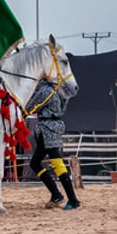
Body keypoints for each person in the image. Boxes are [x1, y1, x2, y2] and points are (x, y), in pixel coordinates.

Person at [26, 77, 80, 209]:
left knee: (57, 164)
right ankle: (56, 194)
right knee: (35, 163)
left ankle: (73, 200)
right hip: (51, 128)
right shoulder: (58, 90)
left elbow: (29, 107)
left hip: (47, 130)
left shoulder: (45, 90)